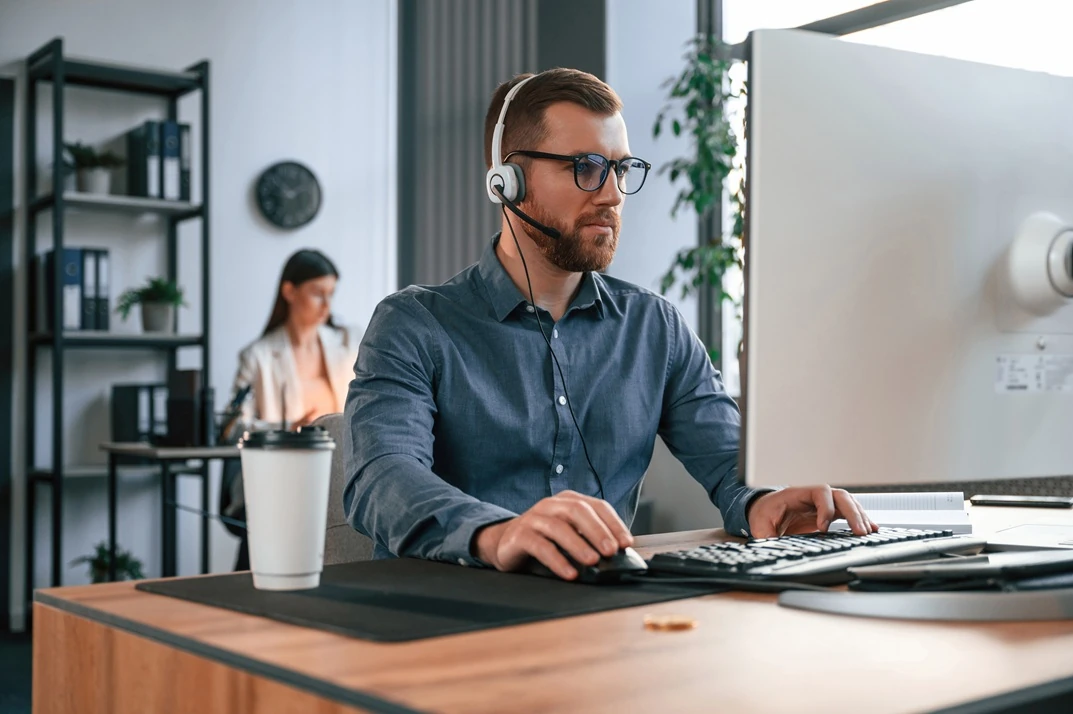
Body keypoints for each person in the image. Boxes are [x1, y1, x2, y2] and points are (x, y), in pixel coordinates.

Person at [343, 68, 877, 581]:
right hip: (446, 621)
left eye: (620, 169)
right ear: (508, 181)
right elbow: (380, 479)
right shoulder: (413, 324)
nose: (613, 193)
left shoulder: (655, 328)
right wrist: (499, 533)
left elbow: (726, 460)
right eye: (586, 167)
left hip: (598, 616)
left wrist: (765, 500)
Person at [221, 248, 361, 569]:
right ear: (289, 291)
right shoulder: (257, 357)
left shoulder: (346, 346)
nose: (327, 305)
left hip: (338, 472)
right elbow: (231, 428)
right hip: (282, 475)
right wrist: (285, 430)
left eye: (331, 294)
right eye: (317, 294)